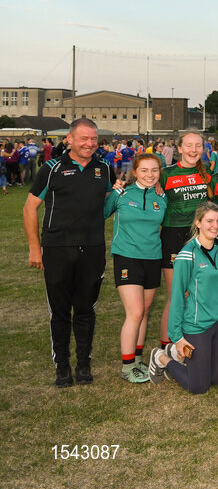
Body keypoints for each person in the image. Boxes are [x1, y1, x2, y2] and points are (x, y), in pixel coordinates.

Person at [24, 118, 115, 387]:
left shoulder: (104, 168)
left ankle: (83, 364)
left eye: (93, 139)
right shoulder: (51, 168)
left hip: (93, 248)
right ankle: (62, 367)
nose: (90, 144)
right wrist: (34, 248)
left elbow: (109, 201)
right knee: (60, 311)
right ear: (70, 139)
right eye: (84, 138)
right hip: (57, 249)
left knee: (86, 310)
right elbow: (29, 208)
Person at [147, 202, 218, 394]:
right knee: (199, 387)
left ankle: (177, 355)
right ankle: (161, 357)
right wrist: (176, 337)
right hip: (197, 324)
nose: (215, 226)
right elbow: (176, 298)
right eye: (209, 221)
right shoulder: (187, 255)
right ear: (198, 223)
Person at [104, 153, 166, 383]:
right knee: (135, 312)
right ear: (135, 172)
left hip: (153, 257)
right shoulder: (121, 193)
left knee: (145, 311)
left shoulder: (162, 197)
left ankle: (137, 360)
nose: (150, 175)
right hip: (127, 257)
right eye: (144, 170)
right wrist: (111, 190)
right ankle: (127, 366)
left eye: (154, 170)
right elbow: (101, 213)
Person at [157, 132, 211, 348]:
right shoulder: (165, 174)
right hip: (173, 236)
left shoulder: (207, 174)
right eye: (188, 145)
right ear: (179, 148)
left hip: (199, 236)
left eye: (198, 145)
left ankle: (192, 340)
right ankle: (166, 346)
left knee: (198, 293)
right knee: (176, 295)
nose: (193, 150)